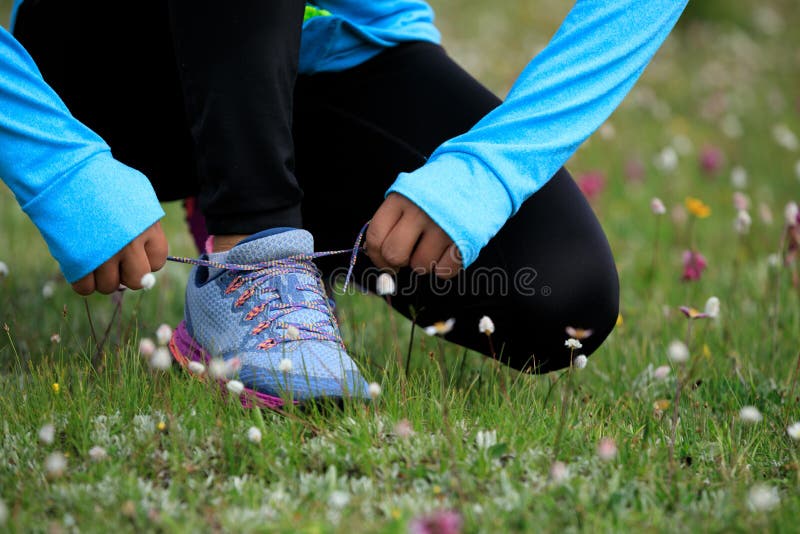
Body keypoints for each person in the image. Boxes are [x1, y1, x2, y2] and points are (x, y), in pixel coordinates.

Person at [4, 0, 687, 405]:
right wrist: (54, 160)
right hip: (116, 66)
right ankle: (252, 247)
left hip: (341, 48)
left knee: (562, 301)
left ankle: (269, 206)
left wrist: (491, 169)